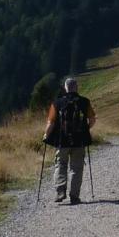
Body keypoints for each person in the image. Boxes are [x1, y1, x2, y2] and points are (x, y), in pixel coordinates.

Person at [43, 76, 95, 205]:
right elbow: (92, 119)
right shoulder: (85, 102)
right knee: (76, 168)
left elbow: (51, 123)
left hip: (62, 141)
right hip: (79, 141)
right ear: (76, 87)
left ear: (65, 88)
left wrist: (45, 135)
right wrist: (85, 129)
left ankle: (60, 191)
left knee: (60, 165)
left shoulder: (57, 103)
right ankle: (74, 196)